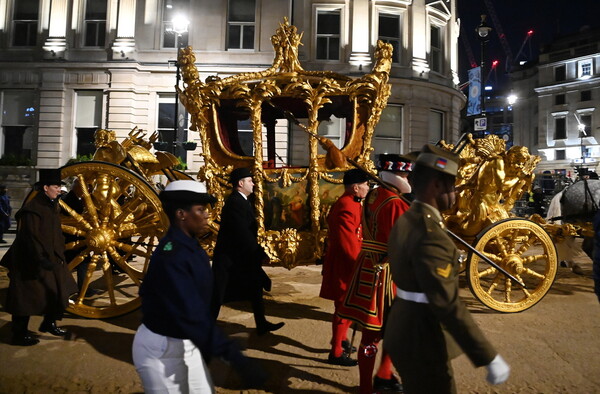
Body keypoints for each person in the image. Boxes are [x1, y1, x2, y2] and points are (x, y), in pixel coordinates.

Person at [383, 144, 510, 393]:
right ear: (438, 185)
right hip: (423, 337)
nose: (455, 193)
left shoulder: (409, 217)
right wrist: (488, 357)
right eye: (452, 186)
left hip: (403, 327)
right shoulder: (430, 233)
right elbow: (448, 305)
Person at [132, 180, 266, 392]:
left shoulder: (188, 244)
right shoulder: (173, 254)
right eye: (200, 209)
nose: (206, 215)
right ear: (181, 214)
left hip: (185, 341)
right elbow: (191, 313)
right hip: (160, 348)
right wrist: (234, 356)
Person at [337, 154, 411, 393]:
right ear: (397, 176)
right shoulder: (396, 204)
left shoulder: (372, 196)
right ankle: (378, 379)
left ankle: (374, 381)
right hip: (389, 275)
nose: (408, 178)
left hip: (368, 268)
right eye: (404, 174)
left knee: (372, 336)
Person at [1, 169, 77, 346]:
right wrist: (41, 259)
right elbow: (30, 237)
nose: (59, 190)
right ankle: (18, 335)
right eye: (56, 186)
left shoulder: (50, 205)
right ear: (45, 187)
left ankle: (49, 322)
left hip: (50, 258)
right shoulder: (33, 209)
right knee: (24, 300)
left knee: (59, 291)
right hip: (30, 262)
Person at [210, 167, 284, 335]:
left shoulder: (240, 201)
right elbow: (243, 234)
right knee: (217, 295)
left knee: (255, 287)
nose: (253, 183)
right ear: (240, 183)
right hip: (230, 259)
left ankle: (262, 323)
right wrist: (260, 253)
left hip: (239, 258)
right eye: (250, 181)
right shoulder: (236, 202)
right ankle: (205, 328)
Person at [320, 168, 370, 366]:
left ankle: (340, 339)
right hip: (345, 265)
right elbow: (348, 242)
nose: (367, 188)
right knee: (344, 307)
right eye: (365, 184)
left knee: (346, 306)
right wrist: (361, 264)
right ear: (355, 187)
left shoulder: (352, 202)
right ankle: (336, 352)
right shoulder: (347, 206)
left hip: (347, 263)